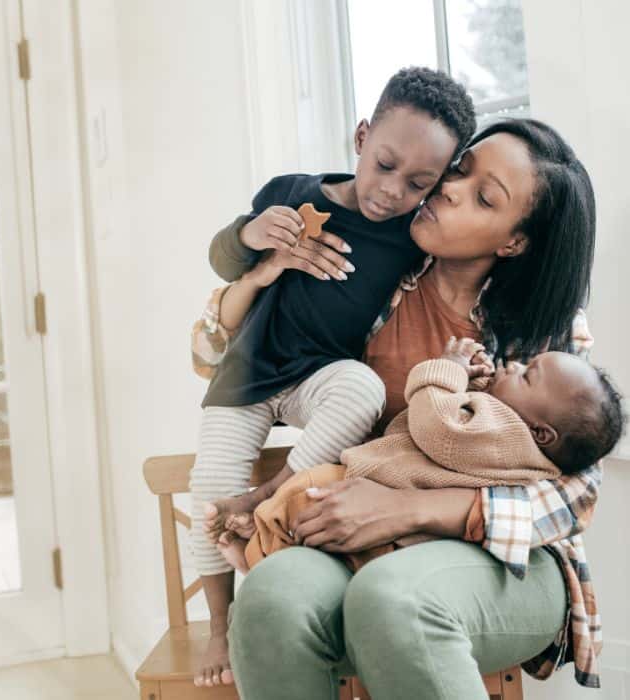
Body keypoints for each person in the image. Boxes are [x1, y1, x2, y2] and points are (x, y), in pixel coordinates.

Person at [200, 119, 604, 695]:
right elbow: (219, 351)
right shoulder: (375, 273)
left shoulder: (548, 327)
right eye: (460, 170)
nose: (449, 188)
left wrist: (411, 509)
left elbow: (578, 492)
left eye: (485, 197)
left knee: (393, 600)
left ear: (513, 240)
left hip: (506, 561)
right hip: (359, 539)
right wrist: (264, 271)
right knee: (270, 599)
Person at [188, 66, 478, 686]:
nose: (391, 191)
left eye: (417, 183)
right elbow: (221, 257)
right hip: (248, 372)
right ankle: (219, 624)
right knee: (208, 488)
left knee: (363, 390)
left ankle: (269, 498)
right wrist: (251, 235)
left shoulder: (411, 238)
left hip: (321, 376)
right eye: (385, 164)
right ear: (361, 136)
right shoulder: (294, 192)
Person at [214, 337, 624, 574]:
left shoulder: (505, 433)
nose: (513, 365)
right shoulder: (517, 445)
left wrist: (446, 370)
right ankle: (259, 546)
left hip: (387, 499)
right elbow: (464, 442)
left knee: (303, 494)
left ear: (541, 432)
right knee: (308, 512)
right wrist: (476, 391)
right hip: (405, 528)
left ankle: (255, 554)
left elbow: (437, 428)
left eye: (528, 374)